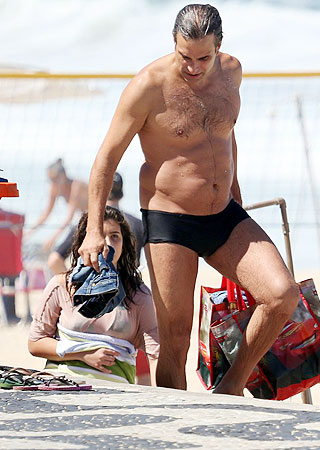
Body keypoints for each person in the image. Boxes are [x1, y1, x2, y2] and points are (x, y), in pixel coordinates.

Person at [77, 4, 298, 394]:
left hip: (224, 214)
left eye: (203, 58)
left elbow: (225, 136)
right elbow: (105, 159)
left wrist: (237, 196)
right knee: (175, 338)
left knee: (282, 295)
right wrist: (94, 228)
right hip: (170, 220)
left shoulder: (232, 72)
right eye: (185, 57)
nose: (193, 67)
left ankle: (228, 390)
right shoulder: (148, 86)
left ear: (219, 48)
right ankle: (175, 414)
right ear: (173, 44)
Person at [28, 207, 159, 385]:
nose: (107, 244)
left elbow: (155, 353)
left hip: (119, 397)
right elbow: (35, 343)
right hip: (62, 388)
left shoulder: (138, 294)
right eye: (101, 236)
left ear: (124, 244)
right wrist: (82, 354)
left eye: (115, 236)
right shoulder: (61, 285)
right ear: (85, 242)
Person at [48, 172, 144, 275]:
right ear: (121, 194)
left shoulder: (88, 223)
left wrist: (73, 285)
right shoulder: (139, 224)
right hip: (131, 287)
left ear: (97, 193)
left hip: (97, 287)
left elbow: (54, 260)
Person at [27, 159, 89, 252]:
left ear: (63, 175)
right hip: (84, 219)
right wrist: (28, 233)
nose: (53, 183)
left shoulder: (77, 186)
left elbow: (69, 217)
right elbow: (46, 213)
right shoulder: (54, 187)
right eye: (50, 180)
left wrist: (53, 238)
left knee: (59, 255)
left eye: (54, 179)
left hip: (95, 217)